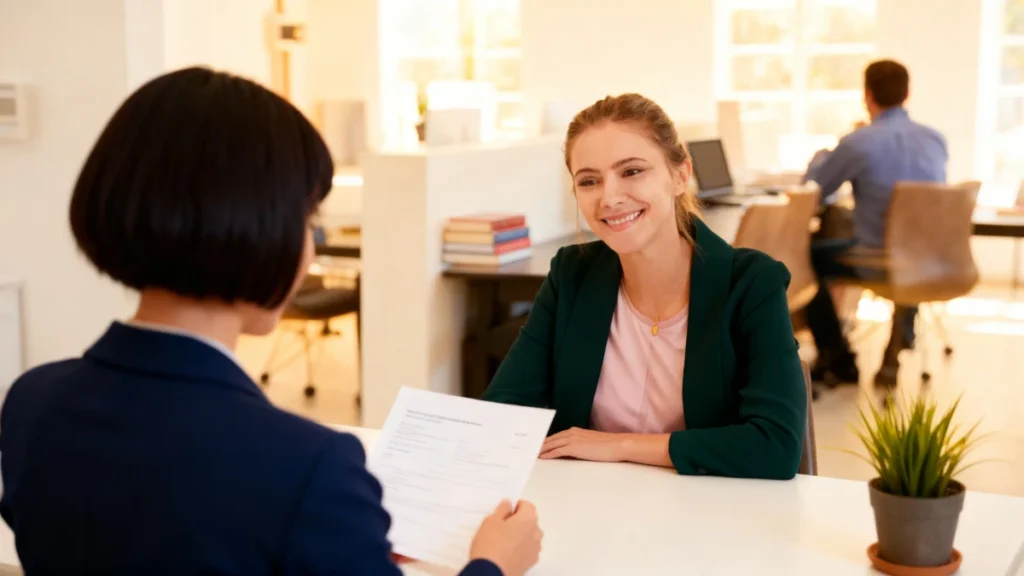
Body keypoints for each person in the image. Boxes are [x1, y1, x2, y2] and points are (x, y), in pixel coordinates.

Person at [0, 67, 541, 576]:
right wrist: (492, 564)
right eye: (309, 221)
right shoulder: (310, 468)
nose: (309, 248)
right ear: (257, 227)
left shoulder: (30, 402)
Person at [481, 94, 807, 480]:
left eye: (632, 171)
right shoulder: (571, 274)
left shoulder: (751, 283)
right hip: (589, 511)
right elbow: (502, 413)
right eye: (589, 181)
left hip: (709, 518)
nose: (610, 197)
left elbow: (776, 447)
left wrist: (619, 445)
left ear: (680, 175)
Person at [802, 59, 948, 387]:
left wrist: (823, 156)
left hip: (879, 260)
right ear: (907, 93)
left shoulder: (859, 142)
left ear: (867, 95)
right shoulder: (936, 140)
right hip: (929, 257)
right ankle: (901, 333)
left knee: (805, 257)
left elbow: (815, 190)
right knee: (900, 246)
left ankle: (837, 356)